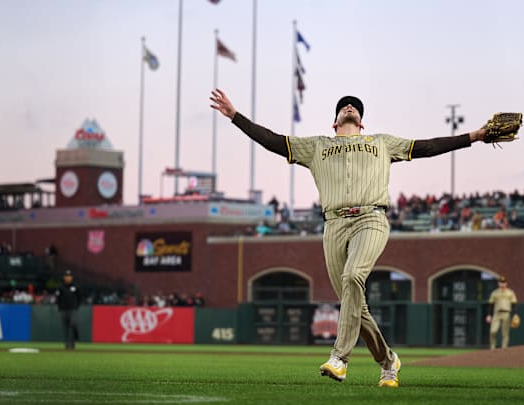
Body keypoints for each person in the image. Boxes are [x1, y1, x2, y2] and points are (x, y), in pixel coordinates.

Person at [210, 88, 491, 388]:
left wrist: (474, 135)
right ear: (334, 122)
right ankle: (388, 361)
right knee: (355, 303)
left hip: (371, 217)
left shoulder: (381, 143)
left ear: (361, 123)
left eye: (355, 107)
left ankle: (339, 359)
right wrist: (235, 116)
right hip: (333, 226)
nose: (349, 106)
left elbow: (428, 146)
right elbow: (274, 141)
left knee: (354, 276)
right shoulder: (317, 146)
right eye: (344, 106)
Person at [486, 275, 518, 350]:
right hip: (497, 314)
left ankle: (504, 349)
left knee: (505, 333)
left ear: (506, 283)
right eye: (501, 282)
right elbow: (490, 304)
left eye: (504, 282)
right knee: (493, 331)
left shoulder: (510, 292)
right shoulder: (495, 293)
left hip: (506, 313)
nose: (502, 284)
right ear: (498, 283)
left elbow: (514, 304)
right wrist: (489, 315)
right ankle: (492, 348)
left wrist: (515, 314)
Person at [55, 270, 82, 350]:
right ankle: (67, 344)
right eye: (66, 276)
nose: (68, 278)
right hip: (63, 309)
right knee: (65, 327)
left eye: (69, 276)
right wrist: (59, 308)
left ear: (71, 277)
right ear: (64, 277)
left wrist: (76, 306)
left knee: (73, 324)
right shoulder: (60, 287)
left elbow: (79, 297)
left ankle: (73, 342)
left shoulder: (75, 287)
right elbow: (58, 298)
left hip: (72, 309)